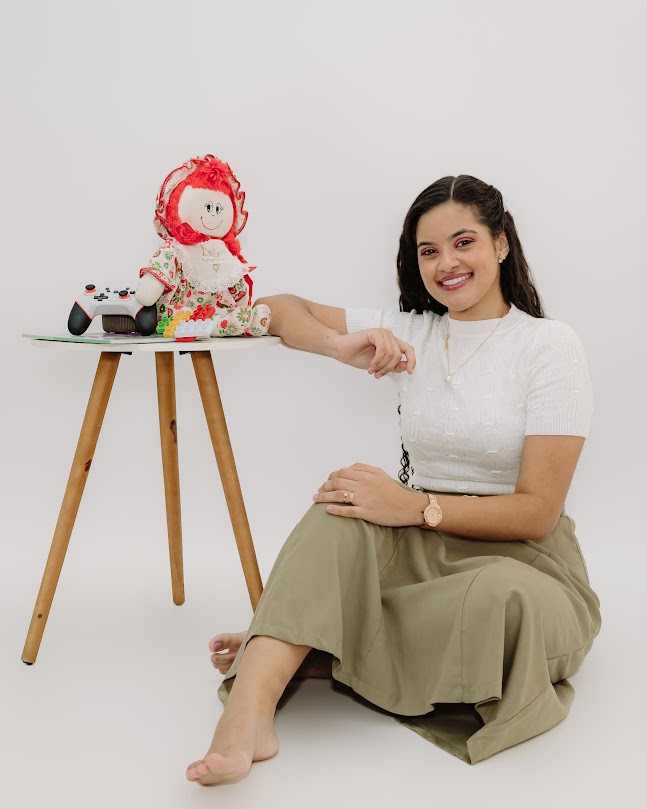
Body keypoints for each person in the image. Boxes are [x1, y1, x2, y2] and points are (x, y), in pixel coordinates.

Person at [185, 174, 602, 784]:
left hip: (524, 559)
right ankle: (248, 714)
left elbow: (538, 511)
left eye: (464, 242)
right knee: (340, 505)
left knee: (499, 601)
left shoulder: (549, 345)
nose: (446, 263)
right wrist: (339, 344)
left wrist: (414, 506)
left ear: (501, 243)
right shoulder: (413, 330)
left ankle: (308, 645)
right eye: (428, 251)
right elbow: (269, 309)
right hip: (416, 548)